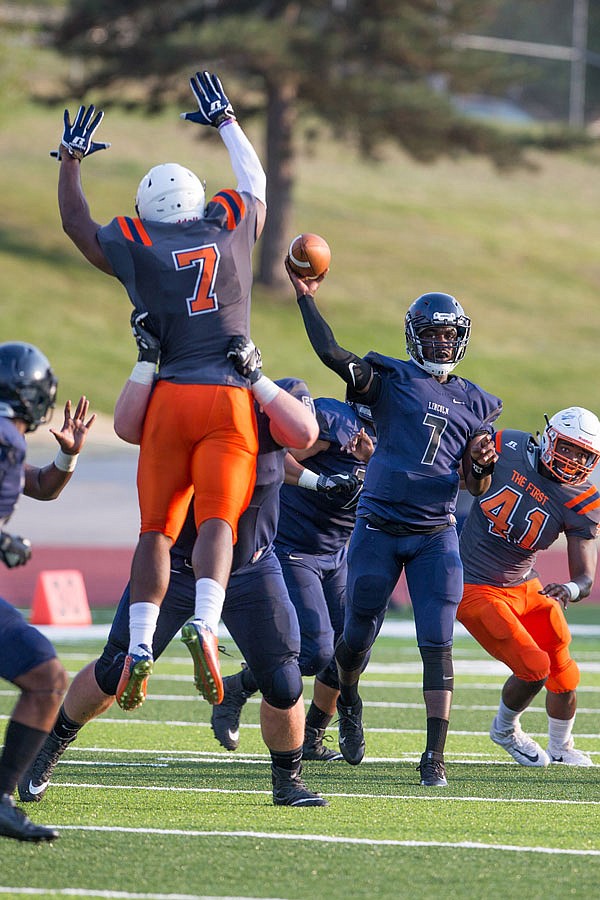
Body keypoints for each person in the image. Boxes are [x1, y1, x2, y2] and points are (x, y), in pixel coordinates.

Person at [19, 335, 334, 807]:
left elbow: (291, 450)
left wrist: (316, 475)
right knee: (114, 669)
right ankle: (48, 748)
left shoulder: (270, 427)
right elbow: (132, 425)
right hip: (178, 567)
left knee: (284, 680)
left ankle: (287, 781)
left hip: (250, 568)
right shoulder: (207, 417)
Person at [54, 71, 267, 710]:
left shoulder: (138, 242)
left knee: (155, 531)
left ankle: (142, 642)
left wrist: (70, 162)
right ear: (200, 201)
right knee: (220, 521)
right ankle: (206, 618)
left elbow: (78, 227)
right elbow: (255, 183)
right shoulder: (227, 225)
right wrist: (227, 120)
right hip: (229, 398)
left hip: (168, 399)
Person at [287, 260, 503, 787]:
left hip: (435, 533)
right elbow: (331, 354)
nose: (440, 344)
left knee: (438, 639)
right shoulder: (390, 380)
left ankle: (434, 757)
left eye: (448, 335)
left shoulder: (477, 403)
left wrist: (480, 466)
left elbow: (475, 488)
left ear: (461, 340)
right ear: (413, 337)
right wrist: (305, 298)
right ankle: (349, 702)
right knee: (357, 638)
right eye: (430, 335)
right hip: (379, 527)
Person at [211, 395, 376, 761]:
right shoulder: (338, 425)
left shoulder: (405, 438)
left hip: (338, 553)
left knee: (352, 652)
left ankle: (313, 736)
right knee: (314, 651)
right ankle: (238, 686)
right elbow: (270, 457)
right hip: (293, 547)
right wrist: (320, 482)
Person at [457, 406, 600, 768]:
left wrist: (569, 588)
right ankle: (505, 729)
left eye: (584, 454)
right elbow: (467, 483)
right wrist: (476, 463)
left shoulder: (582, 499)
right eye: (568, 447)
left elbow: (584, 576)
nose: (573, 460)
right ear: (550, 437)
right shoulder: (509, 445)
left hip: (525, 583)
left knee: (564, 669)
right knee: (533, 666)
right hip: (474, 583)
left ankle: (560, 745)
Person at [0, 341, 95, 842]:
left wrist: (68, 453)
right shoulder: (4, 438)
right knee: (46, 678)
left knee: (46, 677)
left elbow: (40, 485)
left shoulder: (8, 442)